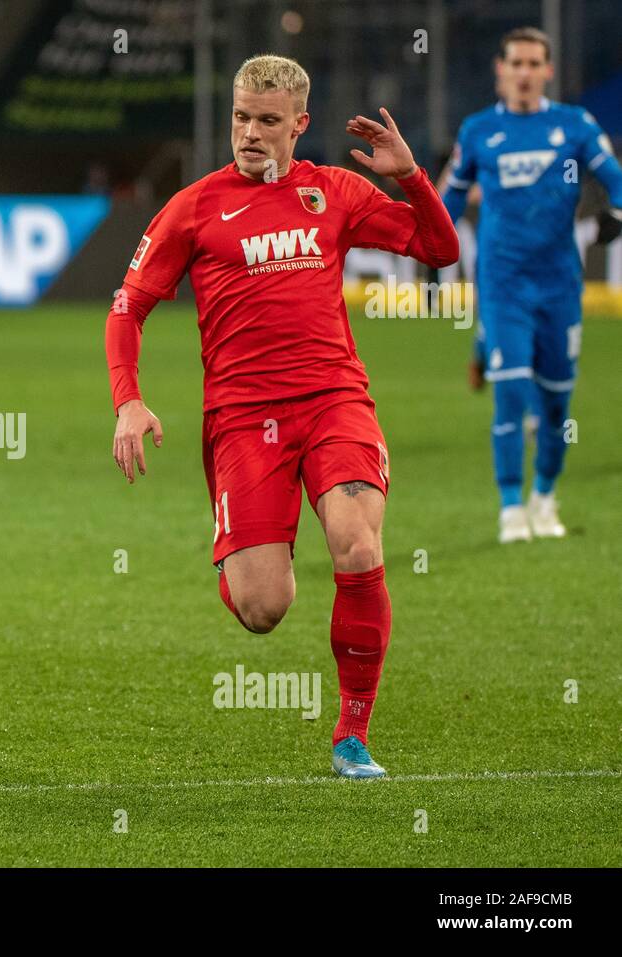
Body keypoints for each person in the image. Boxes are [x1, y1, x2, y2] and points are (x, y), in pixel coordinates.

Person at [105, 54, 458, 778]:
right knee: (263, 606)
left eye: (268, 121)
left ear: (299, 124)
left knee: (358, 546)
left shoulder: (335, 192)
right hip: (242, 419)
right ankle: (240, 565)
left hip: (334, 401)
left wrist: (411, 178)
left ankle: (351, 736)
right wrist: (129, 399)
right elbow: (128, 306)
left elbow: (440, 249)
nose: (251, 133)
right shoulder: (196, 206)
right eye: (241, 117)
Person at [442, 27, 622, 543]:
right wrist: (425, 240)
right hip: (503, 282)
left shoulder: (573, 126)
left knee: (558, 404)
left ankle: (544, 496)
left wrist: (615, 210)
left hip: (560, 286)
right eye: (515, 63)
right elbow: (448, 200)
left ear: (547, 70)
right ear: (500, 70)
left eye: (533, 63)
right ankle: (509, 508)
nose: (524, 73)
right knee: (514, 392)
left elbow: (613, 176)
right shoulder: (478, 131)